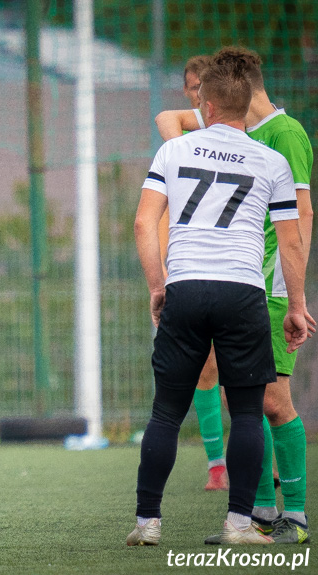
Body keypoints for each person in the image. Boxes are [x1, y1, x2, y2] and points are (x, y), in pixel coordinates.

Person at [127, 57, 312, 546]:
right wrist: (296, 304)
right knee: (248, 413)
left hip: (186, 287)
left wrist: (157, 285)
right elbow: (290, 241)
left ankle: (147, 524)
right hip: (244, 292)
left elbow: (145, 224)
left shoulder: (176, 150)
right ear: (244, 105)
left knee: (166, 412)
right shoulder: (270, 160)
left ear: (205, 105)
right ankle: (239, 525)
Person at [159, 54, 230, 492]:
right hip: (193, 268)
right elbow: (166, 119)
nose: (198, 92)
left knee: (250, 373)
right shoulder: (183, 143)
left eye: (204, 85)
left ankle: (266, 464)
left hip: (242, 267)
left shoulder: (251, 138)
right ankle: (218, 466)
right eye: (192, 86)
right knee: (205, 367)